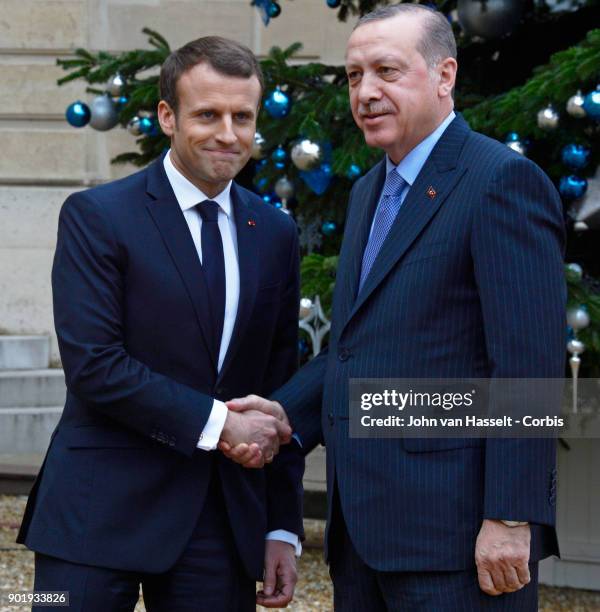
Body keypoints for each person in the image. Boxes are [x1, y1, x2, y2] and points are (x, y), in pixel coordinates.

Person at [220, 5, 566, 610]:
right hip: (365, 540)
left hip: (460, 544)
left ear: (444, 75)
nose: (367, 92)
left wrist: (511, 517)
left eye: (386, 70)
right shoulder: (368, 191)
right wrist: (283, 415)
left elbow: (528, 366)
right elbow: (359, 345)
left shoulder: (500, 181)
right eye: (355, 76)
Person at [18, 36, 303, 611]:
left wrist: (281, 526)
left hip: (220, 521)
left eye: (242, 116)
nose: (228, 133)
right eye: (208, 114)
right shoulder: (97, 216)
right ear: (168, 117)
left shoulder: (275, 233)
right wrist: (221, 423)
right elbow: (95, 366)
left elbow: (277, 388)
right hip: (92, 515)